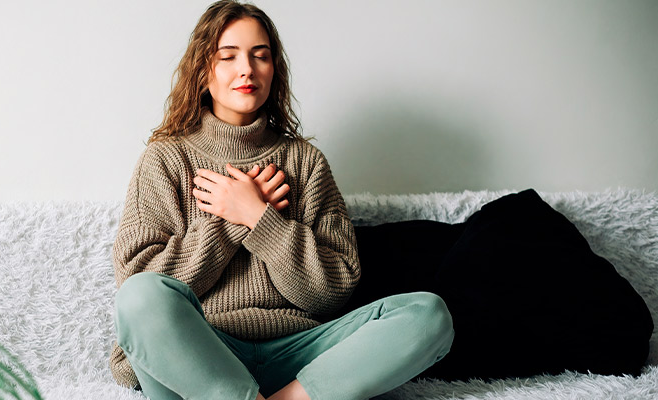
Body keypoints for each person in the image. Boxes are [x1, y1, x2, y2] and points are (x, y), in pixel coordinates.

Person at [110, 1, 454, 399]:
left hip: (303, 359)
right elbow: (139, 285)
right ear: (204, 72)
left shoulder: (304, 162)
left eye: (261, 56)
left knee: (428, 315)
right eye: (228, 56)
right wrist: (229, 222)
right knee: (140, 296)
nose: (247, 69)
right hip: (202, 358)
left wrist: (261, 219)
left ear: (275, 70)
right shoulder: (166, 158)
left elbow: (333, 290)